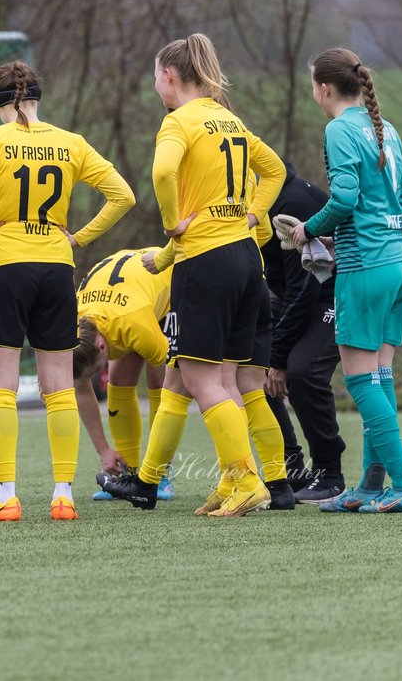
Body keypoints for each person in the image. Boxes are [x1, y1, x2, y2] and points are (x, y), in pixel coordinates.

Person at [104, 34, 286, 518]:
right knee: (200, 378)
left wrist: (169, 224)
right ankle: (211, 483)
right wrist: (252, 214)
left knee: (205, 381)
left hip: (206, 264)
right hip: (246, 260)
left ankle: (247, 480)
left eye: (155, 75)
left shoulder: (178, 122)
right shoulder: (230, 118)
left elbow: (163, 173)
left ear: (169, 75)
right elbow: (276, 170)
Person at [0, 61, 134, 522]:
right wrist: (78, 237)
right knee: (60, 389)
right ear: (38, 98)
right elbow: (123, 195)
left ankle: (6, 496)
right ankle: (63, 496)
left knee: (1, 391)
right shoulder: (69, 142)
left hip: (6, 266)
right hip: (55, 267)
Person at [291, 47, 402, 514]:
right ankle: (370, 484)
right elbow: (400, 197)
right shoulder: (387, 129)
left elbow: (344, 198)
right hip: (399, 261)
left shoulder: (339, 129)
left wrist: (310, 230)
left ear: (324, 88)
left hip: (366, 267)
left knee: (360, 379)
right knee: (380, 374)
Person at [263, 162, 347, 504]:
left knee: (303, 371)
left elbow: (306, 288)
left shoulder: (291, 202)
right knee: (253, 368)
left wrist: (278, 358)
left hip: (335, 295)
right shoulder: (258, 201)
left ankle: (330, 473)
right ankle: (293, 470)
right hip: (301, 297)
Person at [72, 247, 175, 500]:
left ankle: (158, 474)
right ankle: (125, 474)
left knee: (158, 382)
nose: (97, 375)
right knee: (118, 381)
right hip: (128, 298)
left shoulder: (134, 326)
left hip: (170, 286)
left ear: (101, 346)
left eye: (95, 370)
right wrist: (104, 450)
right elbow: (81, 390)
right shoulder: (71, 326)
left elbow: (171, 389)